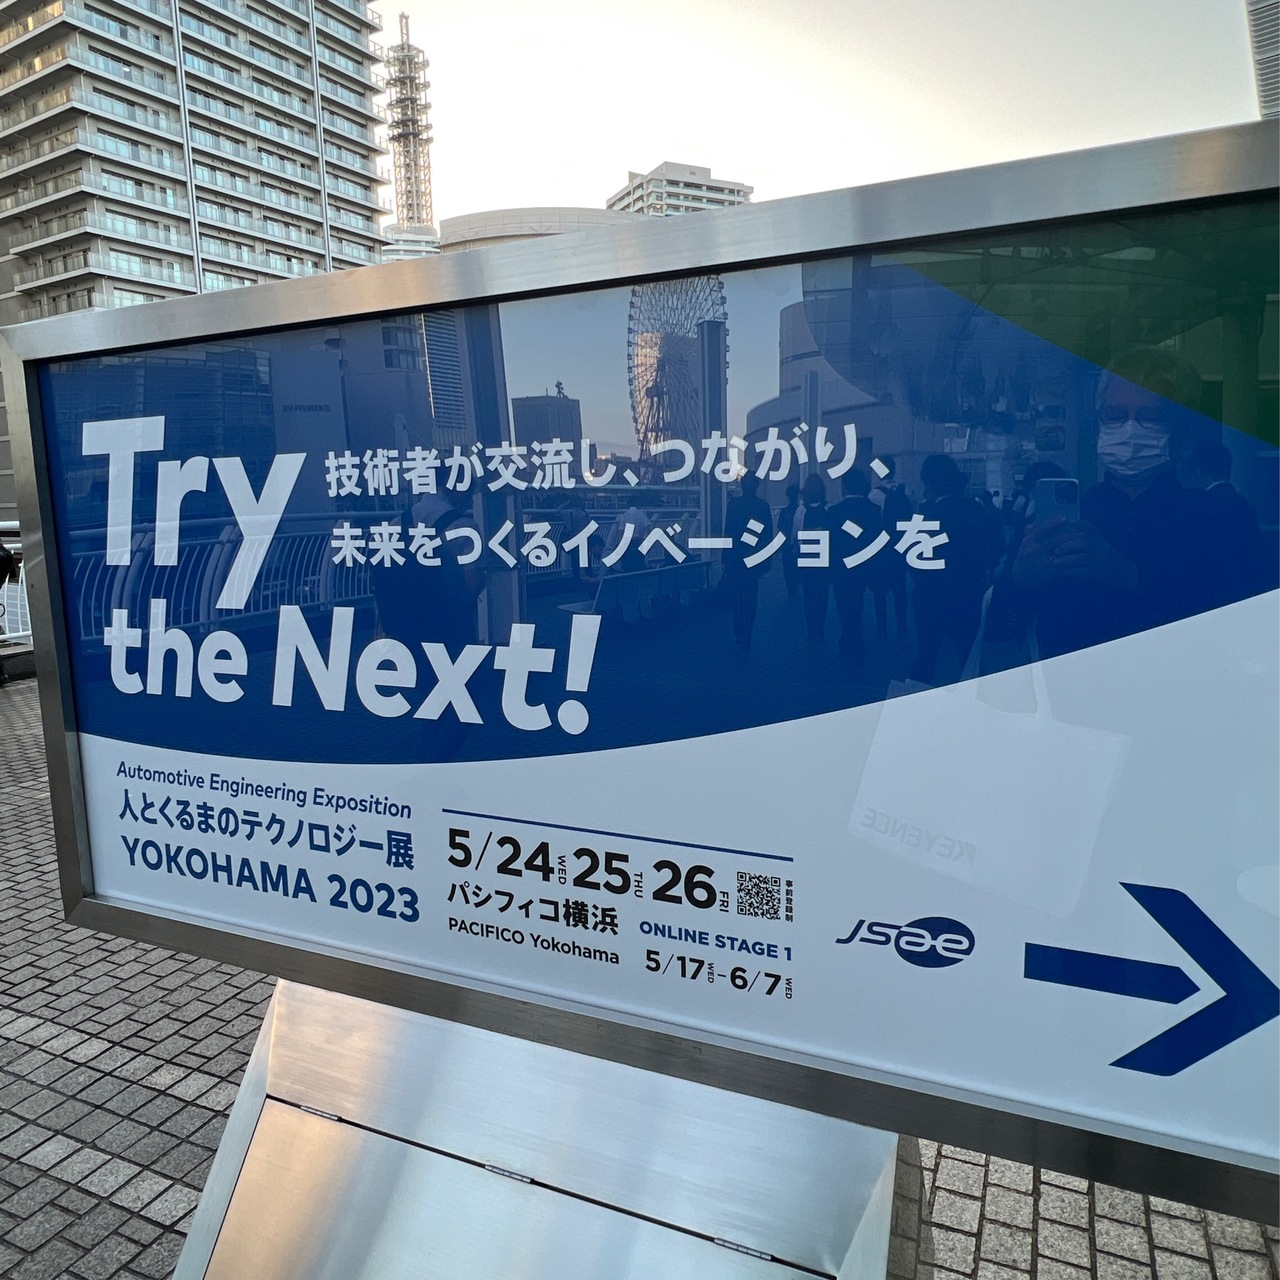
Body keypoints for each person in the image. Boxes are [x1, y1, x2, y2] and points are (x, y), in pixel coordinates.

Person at [1006, 348, 1210, 658]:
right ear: (1099, 421)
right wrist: (1020, 580)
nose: (1130, 430)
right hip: (1070, 684)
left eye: (1150, 418)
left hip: (1180, 680)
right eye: (1115, 416)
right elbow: (1001, 627)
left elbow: (1237, 619)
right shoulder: (1069, 514)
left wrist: (1127, 575)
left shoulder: (1219, 518)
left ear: (1182, 428)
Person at [908, 455, 997, 684]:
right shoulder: (976, 510)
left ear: (929, 483)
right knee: (970, 656)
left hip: (930, 595)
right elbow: (994, 550)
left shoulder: (927, 514)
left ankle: (914, 699)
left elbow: (913, 558)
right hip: (968, 593)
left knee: (926, 655)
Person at [1185, 441, 1268, 609]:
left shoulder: (1203, 505)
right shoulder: (1242, 503)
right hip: (1241, 585)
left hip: (1211, 588)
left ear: (1199, 472)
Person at [828, 470, 883, 661]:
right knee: (857, 602)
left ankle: (848, 638)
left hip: (840, 566)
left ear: (844, 487)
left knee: (843, 604)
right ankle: (852, 639)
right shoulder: (873, 510)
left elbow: (831, 542)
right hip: (864, 564)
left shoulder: (834, 511)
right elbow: (874, 538)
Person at [722, 472, 773, 650]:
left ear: (742, 486)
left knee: (737, 596)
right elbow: (767, 536)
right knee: (751, 597)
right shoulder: (762, 506)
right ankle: (747, 634)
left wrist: (725, 558)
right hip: (753, 557)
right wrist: (766, 561)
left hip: (735, 558)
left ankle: (739, 630)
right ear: (756, 486)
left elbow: (728, 532)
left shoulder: (733, 505)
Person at [868, 456, 912, 639]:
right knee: (899, 590)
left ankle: (882, 628)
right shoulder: (905, 491)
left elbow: (873, 523)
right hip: (900, 547)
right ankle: (902, 626)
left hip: (881, 549)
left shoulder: (875, 495)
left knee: (879, 592)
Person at [793, 473, 831, 642]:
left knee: (808, 594)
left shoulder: (800, 511)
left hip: (806, 556)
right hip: (824, 556)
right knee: (822, 592)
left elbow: (794, 535)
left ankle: (811, 628)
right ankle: (820, 625)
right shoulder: (829, 509)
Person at [605, 503, 651, 574]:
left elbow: (621, 531)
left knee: (627, 564)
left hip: (627, 542)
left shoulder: (625, 515)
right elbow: (648, 527)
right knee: (639, 562)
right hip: (639, 541)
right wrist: (644, 539)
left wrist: (619, 545)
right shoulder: (642, 514)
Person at [777, 483, 801, 599]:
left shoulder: (784, 512)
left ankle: (791, 588)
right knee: (797, 567)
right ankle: (795, 585)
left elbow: (781, 528)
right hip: (799, 544)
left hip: (786, 544)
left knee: (787, 568)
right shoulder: (801, 510)